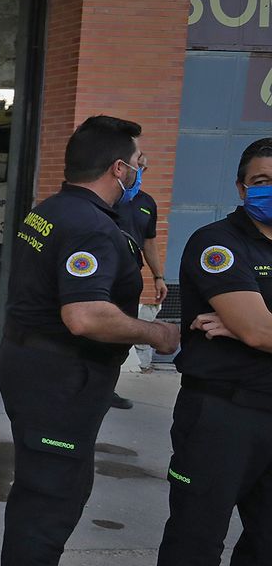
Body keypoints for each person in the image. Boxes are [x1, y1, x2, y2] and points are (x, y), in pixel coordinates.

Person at [0, 115, 180, 566]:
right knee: (52, 497)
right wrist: (157, 334)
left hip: (36, 367)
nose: (140, 170)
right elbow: (85, 314)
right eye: (137, 162)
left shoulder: (51, 211)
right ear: (118, 168)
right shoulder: (91, 227)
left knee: (44, 492)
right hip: (57, 380)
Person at [150, 137, 272, 566]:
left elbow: (257, 326)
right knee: (196, 538)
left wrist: (255, 323)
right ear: (241, 186)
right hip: (222, 414)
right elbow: (257, 332)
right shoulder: (217, 243)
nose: (269, 188)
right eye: (261, 178)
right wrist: (251, 325)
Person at [111, 156, 168, 404]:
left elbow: (149, 242)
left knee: (119, 339)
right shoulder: (109, 199)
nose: (141, 171)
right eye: (139, 165)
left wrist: (159, 277)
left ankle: (106, 389)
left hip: (130, 280)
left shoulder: (147, 203)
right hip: (103, 277)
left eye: (144, 167)